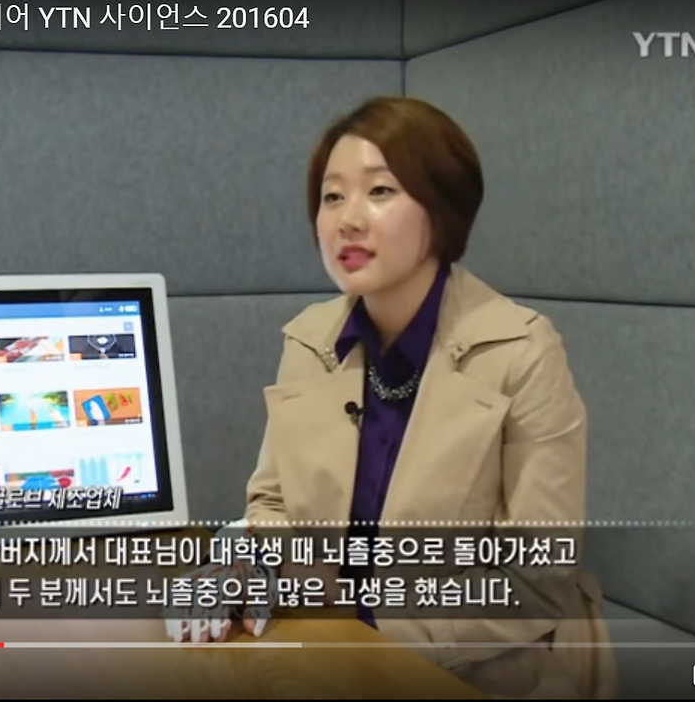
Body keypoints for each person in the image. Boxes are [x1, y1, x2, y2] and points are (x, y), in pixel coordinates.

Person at [168, 97, 619, 700]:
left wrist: (362, 615)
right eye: (332, 197)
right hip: (331, 659)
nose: (347, 220)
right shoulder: (311, 340)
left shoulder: (523, 352)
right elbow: (273, 504)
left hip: (480, 675)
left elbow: (538, 583)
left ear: (442, 208)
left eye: (379, 191)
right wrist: (247, 565)